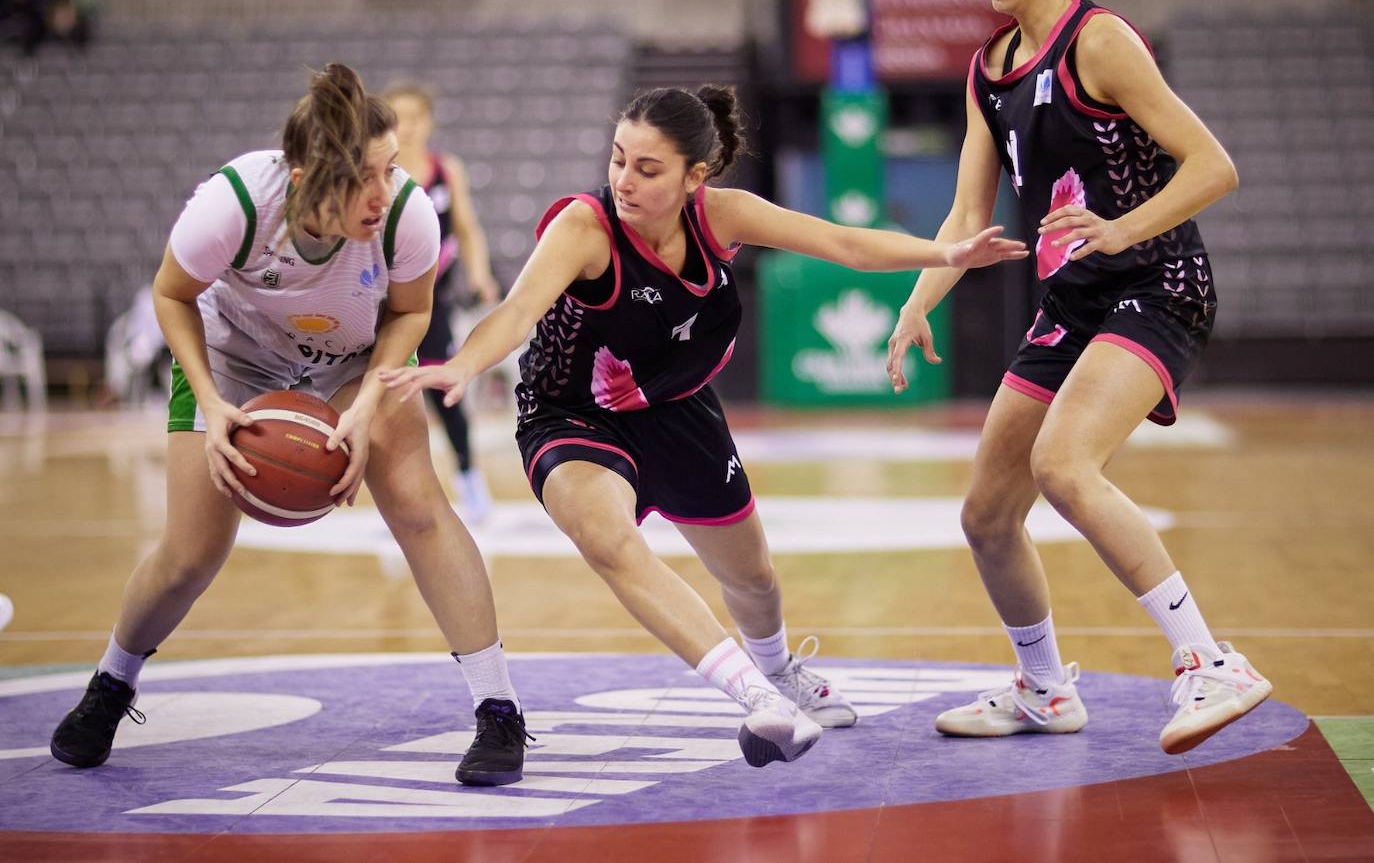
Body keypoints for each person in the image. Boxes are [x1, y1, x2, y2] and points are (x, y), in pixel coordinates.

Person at [379, 85, 1027, 767]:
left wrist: (946, 255)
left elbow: (843, 243)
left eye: (647, 169)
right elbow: (515, 313)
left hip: (680, 409)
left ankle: (778, 671)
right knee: (609, 541)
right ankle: (759, 699)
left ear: (694, 177)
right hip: (571, 416)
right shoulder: (584, 227)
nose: (624, 180)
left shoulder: (722, 216)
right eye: (618, 159)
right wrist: (463, 365)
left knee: (754, 579)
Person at [886, 0, 1271, 754]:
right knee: (985, 514)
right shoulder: (988, 69)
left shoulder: (1101, 43)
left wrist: (1120, 228)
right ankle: (1046, 688)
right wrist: (917, 302)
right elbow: (964, 215)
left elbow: (1214, 165)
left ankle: (1210, 661)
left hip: (1157, 283)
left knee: (1064, 463)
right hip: (1074, 302)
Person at [49, 64, 528, 786]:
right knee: (191, 553)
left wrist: (366, 404)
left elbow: (411, 312)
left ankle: (499, 710)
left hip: (355, 355)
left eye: (392, 168)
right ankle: (112, 684)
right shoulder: (235, 202)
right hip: (234, 354)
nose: (386, 191)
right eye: (365, 177)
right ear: (305, 178)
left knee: (419, 508)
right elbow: (171, 294)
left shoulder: (407, 213)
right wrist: (210, 402)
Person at [384, 81, 500, 523]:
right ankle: (395, 491)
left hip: (433, 300)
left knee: (444, 388)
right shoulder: (377, 173)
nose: (407, 127)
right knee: (387, 394)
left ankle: (469, 477)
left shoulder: (446, 169)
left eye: (415, 118)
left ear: (429, 122)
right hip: (385, 300)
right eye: (397, 118)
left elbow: (467, 229)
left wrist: (479, 274)